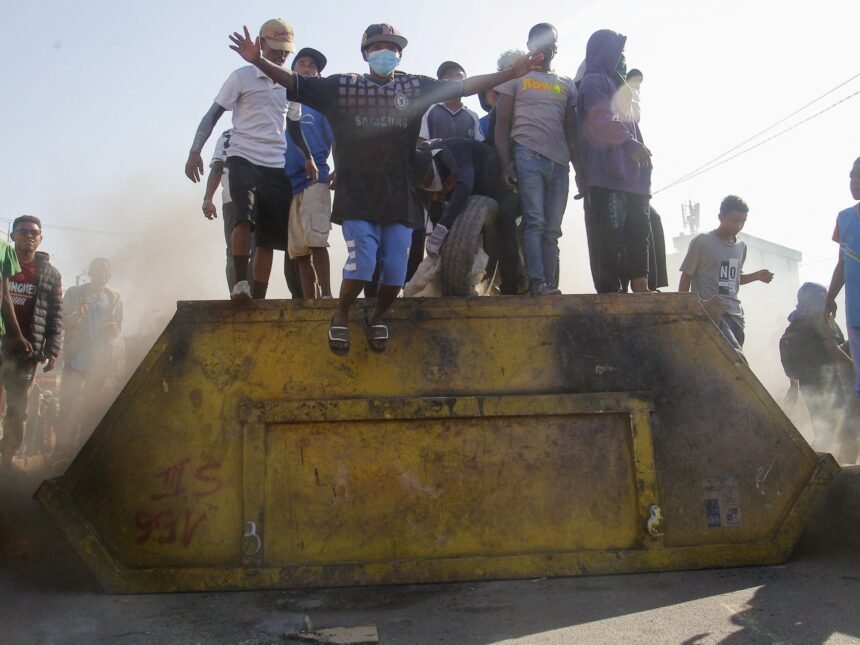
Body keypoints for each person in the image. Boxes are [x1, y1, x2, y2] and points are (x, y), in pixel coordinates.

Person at [228, 22, 543, 354]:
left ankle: (378, 316)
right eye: (377, 47)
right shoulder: (342, 87)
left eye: (392, 48)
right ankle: (341, 315)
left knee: (394, 272)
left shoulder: (415, 87)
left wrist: (511, 73)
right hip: (358, 194)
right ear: (365, 53)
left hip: (399, 195)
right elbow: (293, 82)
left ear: (400, 54)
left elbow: (464, 87)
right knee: (363, 261)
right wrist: (257, 61)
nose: (385, 54)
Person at [185, 18, 296, 301]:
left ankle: (258, 296)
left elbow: (294, 126)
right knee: (243, 219)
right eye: (275, 48)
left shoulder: (290, 83)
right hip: (242, 157)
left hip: (276, 163)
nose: (281, 54)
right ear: (261, 44)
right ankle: (239, 285)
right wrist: (195, 150)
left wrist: (305, 157)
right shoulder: (241, 77)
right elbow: (213, 114)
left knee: (269, 238)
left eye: (285, 50)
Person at [495, 23, 579, 296]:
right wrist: (505, 164)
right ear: (530, 45)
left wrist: (580, 171)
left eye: (551, 41)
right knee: (535, 221)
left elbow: (571, 131)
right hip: (527, 155)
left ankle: (550, 286)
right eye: (540, 41)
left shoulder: (566, 84)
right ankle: (537, 283)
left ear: (556, 47)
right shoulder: (514, 79)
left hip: (559, 163)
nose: (546, 46)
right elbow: (502, 123)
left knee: (553, 229)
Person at [577, 30, 653, 293]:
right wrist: (630, 143)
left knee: (638, 231)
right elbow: (599, 120)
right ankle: (612, 292)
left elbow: (633, 123)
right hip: (607, 174)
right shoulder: (594, 82)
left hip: (633, 176)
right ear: (604, 53)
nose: (623, 60)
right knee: (609, 236)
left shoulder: (621, 89)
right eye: (619, 54)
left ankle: (641, 285)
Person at [413, 138, 521, 294]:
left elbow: (464, 186)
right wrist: (439, 235)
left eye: (426, 178)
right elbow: (434, 210)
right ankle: (453, 283)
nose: (424, 184)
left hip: (494, 182)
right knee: (450, 232)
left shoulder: (453, 153)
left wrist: (443, 226)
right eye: (420, 183)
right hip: (468, 190)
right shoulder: (415, 180)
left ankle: (510, 287)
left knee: (506, 221)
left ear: (430, 165)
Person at [0, 216, 62, 471]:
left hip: (27, 351)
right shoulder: (3, 263)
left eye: (34, 232)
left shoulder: (49, 273)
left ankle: (6, 459)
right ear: (12, 236)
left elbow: (55, 313)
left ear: (40, 238)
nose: (29, 236)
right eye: (23, 231)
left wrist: (53, 348)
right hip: (2, 344)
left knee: (18, 409)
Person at [678, 195, 774, 351]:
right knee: (734, 359)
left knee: (732, 362)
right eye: (734, 221)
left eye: (742, 222)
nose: (738, 226)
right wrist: (683, 308)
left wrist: (756, 276)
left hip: (735, 316)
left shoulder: (741, 246)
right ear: (720, 217)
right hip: (711, 314)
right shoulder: (702, 242)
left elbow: (732, 280)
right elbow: (686, 275)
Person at [57, 258, 123, 457]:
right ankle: (61, 450)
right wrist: (79, 313)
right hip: (76, 357)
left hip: (99, 362)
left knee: (91, 407)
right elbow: (62, 321)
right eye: (97, 270)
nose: (101, 273)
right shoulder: (74, 293)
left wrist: (112, 330)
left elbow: (117, 328)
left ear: (109, 275)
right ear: (90, 272)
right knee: (67, 405)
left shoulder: (115, 298)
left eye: (105, 270)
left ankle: (83, 450)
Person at [285, 47, 335, 300]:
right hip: (288, 183)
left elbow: (339, 140)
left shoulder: (323, 107)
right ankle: (308, 301)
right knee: (298, 250)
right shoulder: (284, 102)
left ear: (318, 74)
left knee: (317, 241)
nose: (306, 68)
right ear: (292, 69)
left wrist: (341, 169)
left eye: (312, 65)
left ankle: (326, 296)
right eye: (301, 63)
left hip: (316, 179)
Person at [780, 283, 853, 451]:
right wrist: (855, 368)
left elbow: (793, 354)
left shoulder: (796, 321)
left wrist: (793, 385)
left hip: (808, 384)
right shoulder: (820, 318)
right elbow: (834, 351)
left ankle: (817, 463)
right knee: (844, 426)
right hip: (831, 382)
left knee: (823, 429)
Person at [825, 156, 860, 401]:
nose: (854, 181)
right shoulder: (844, 218)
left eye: (859, 175)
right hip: (856, 313)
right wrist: (829, 299)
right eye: (852, 175)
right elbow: (842, 262)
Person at [419, 62, 484, 142]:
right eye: (449, 75)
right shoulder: (428, 110)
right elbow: (420, 142)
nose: (454, 79)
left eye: (459, 75)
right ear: (441, 82)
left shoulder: (472, 115)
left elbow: (480, 144)